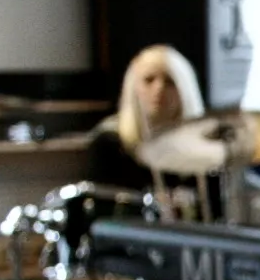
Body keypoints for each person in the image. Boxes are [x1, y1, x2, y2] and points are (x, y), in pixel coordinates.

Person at [87, 44, 220, 219]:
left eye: (170, 81)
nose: (159, 89)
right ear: (133, 87)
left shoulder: (207, 146)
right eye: (149, 80)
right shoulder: (110, 142)